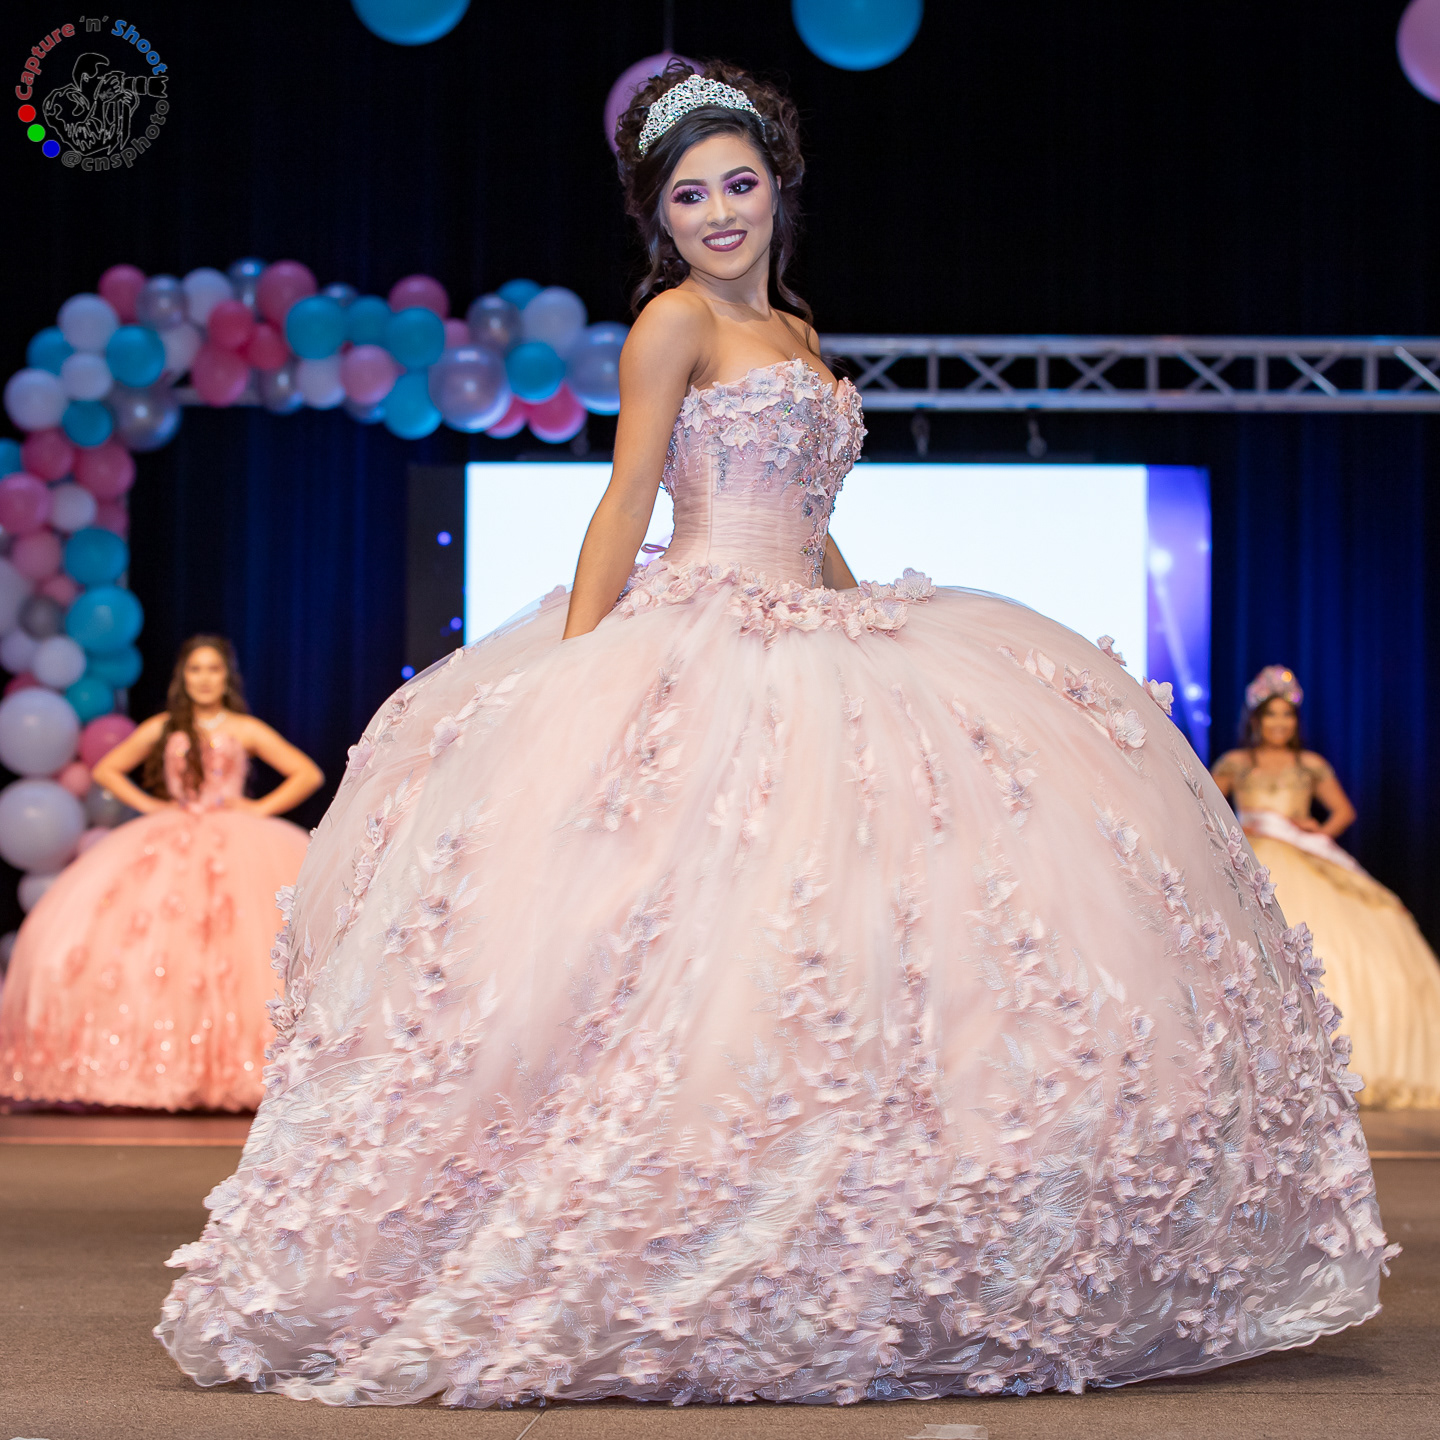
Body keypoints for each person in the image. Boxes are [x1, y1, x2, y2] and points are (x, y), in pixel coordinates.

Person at [156, 64, 1391, 1406]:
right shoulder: (673, 322)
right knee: (685, 941)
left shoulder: (795, 327)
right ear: (658, 218)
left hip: (814, 628)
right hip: (702, 627)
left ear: (778, 188)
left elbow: (809, 519)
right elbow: (628, 496)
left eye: (737, 184)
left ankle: (859, 1240)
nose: (718, 213)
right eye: (689, 196)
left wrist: (861, 622)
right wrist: (570, 681)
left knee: (865, 936)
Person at [0, 635, 322, 1112]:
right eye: (195, 669)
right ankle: (161, 1067)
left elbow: (307, 773)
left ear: (226, 677)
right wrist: (152, 805)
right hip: (173, 833)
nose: (204, 679)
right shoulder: (164, 728)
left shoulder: (243, 728)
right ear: (182, 677)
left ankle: (233, 1066)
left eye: (213, 669)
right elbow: (108, 769)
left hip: (238, 840)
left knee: (243, 946)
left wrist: (257, 809)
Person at [1213, 666, 1440, 1108]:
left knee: (1333, 943)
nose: (1280, 723)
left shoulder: (1310, 765)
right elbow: (1206, 802)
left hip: (1302, 857)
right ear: (1256, 719)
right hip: (1255, 857)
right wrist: (1235, 832)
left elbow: (1343, 811)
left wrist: (1318, 829)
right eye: (1271, 715)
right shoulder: (1236, 762)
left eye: (1287, 715)